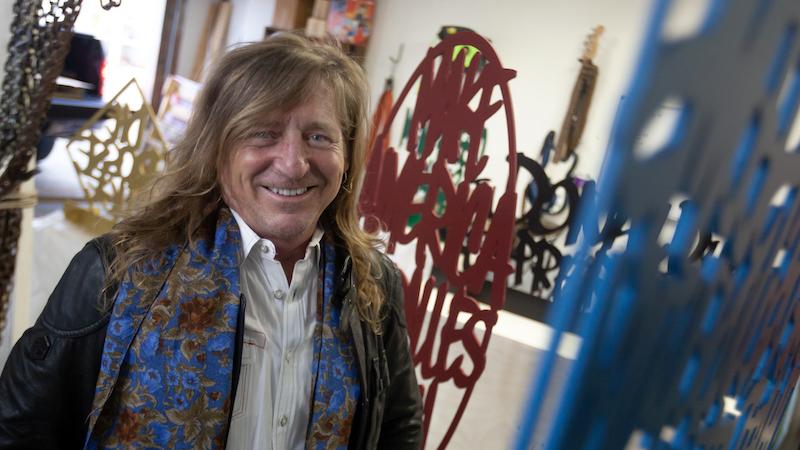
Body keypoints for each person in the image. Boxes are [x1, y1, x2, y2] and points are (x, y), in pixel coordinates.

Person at [0, 33, 423, 449]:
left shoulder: (372, 283)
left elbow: (397, 426)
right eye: (263, 133)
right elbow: (22, 427)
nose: (294, 164)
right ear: (215, 148)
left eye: (318, 136)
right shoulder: (117, 270)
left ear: (346, 156)